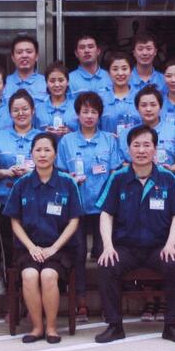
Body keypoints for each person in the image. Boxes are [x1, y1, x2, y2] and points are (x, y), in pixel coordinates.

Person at [94, 125, 175, 344]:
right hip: (126, 247)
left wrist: (170, 245)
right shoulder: (118, 178)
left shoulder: (167, 178)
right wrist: (108, 246)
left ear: (155, 149)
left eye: (147, 145)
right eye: (136, 145)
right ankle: (114, 326)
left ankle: (172, 326)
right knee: (106, 265)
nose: (141, 150)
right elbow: (106, 214)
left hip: (158, 247)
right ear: (129, 149)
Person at [3, 133, 83, 344]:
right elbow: (14, 221)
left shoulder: (67, 182)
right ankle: (37, 327)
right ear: (31, 154)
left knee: (48, 275)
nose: (43, 154)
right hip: (28, 248)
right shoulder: (22, 183)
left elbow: (74, 220)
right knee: (29, 275)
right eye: (38, 150)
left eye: (47, 150)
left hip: (59, 249)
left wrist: (54, 248)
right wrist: (31, 247)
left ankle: (51, 327)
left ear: (55, 154)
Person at [57, 91, 121, 323]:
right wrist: (71, 178)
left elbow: (114, 173)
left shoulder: (109, 140)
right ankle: (80, 301)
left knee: (106, 253)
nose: (89, 116)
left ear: (100, 115)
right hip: (76, 208)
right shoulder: (66, 141)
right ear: (77, 114)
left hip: (104, 208)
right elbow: (60, 173)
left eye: (94, 112)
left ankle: (107, 302)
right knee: (78, 254)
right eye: (85, 111)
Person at [0, 89, 41, 295]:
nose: (21, 113)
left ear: (33, 111)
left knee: (33, 242)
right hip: (5, 197)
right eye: (16, 110)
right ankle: (10, 286)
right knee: (6, 245)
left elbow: (52, 167)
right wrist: (6, 172)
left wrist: (33, 171)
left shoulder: (41, 137)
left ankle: (31, 287)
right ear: (10, 112)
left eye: (25, 109)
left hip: (36, 199)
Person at [100, 52, 141, 134]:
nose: (120, 73)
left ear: (131, 71)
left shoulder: (141, 96)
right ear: (108, 73)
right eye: (115, 69)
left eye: (124, 69)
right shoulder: (100, 98)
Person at [34, 61, 78, 137]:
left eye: (61, 80)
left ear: (67, 82)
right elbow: (30, 132)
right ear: (46, 83)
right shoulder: (38, 109)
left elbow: (85, 133)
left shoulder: (77, 107)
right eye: (52, 81)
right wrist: (43, 134)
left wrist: (71, 134)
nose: (57, 85)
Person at [3, 35, 48, 103]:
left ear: (36, 56)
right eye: (19, 52)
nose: (24, 56)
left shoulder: (46, 83)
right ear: (13, 58)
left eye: (29, 52)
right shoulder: (3, 83)